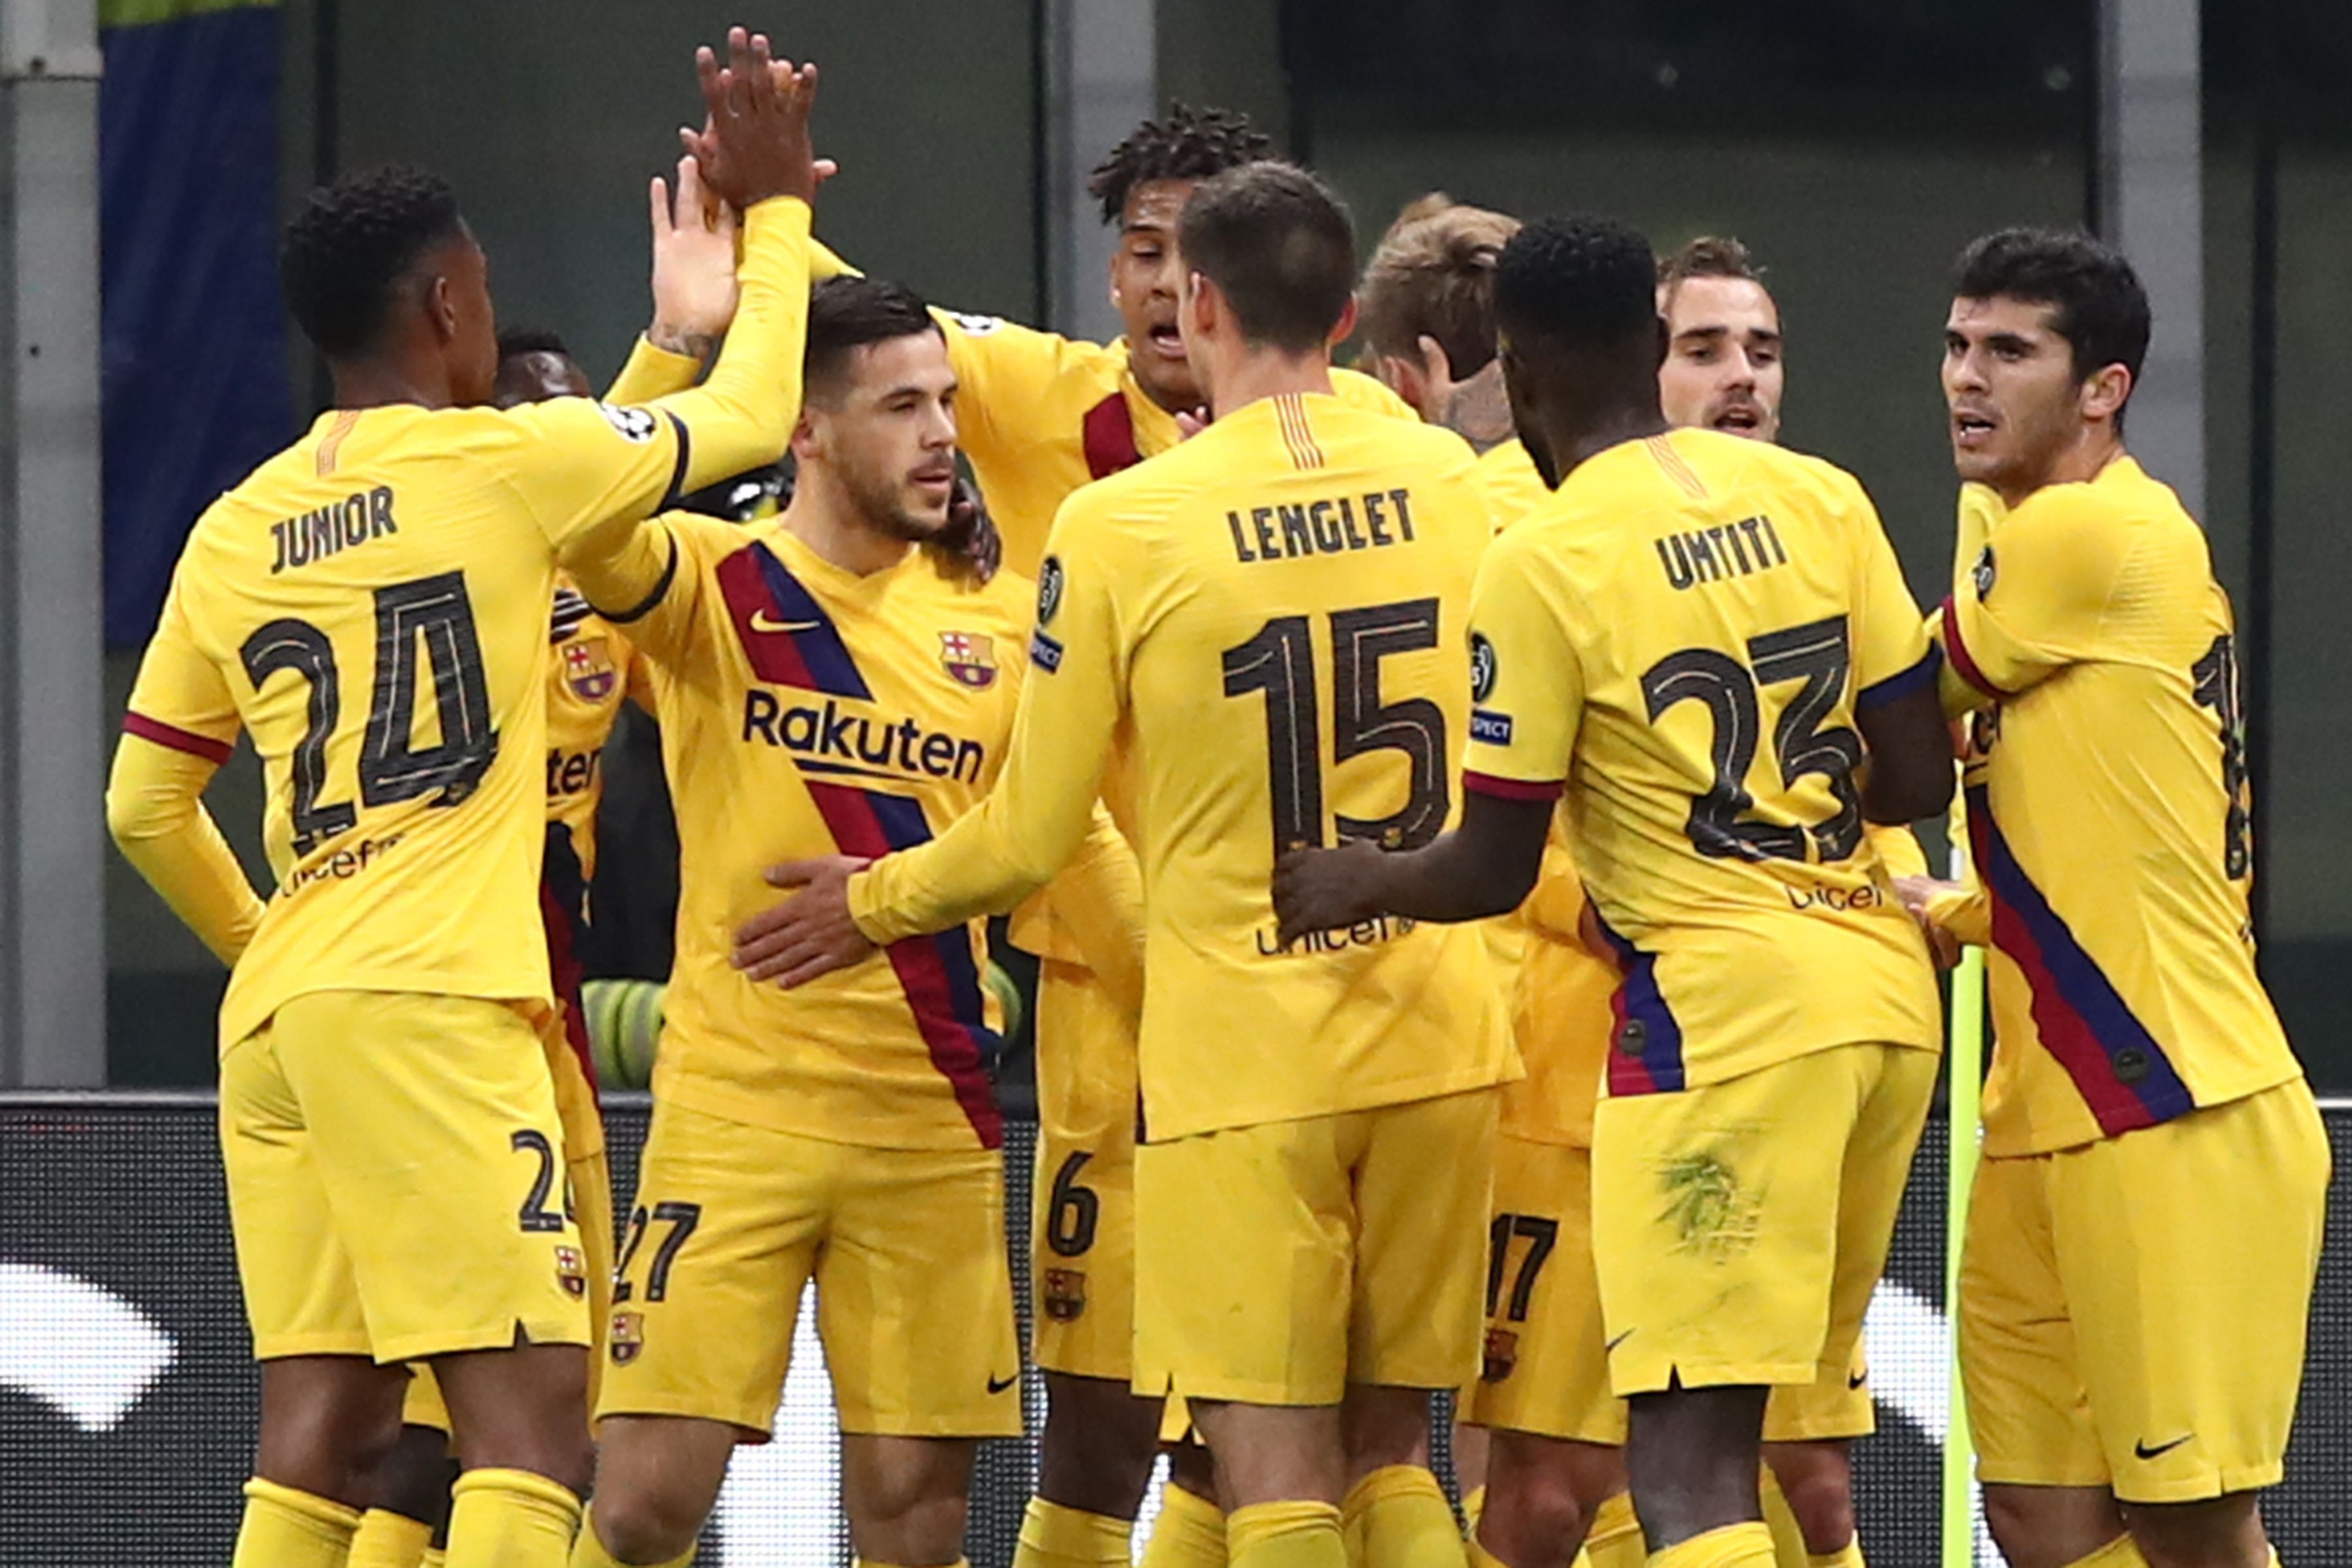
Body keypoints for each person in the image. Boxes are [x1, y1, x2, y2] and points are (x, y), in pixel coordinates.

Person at [101, 29, 821, 1568]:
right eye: (483, 289)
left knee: (327, 1434)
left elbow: (143, 808)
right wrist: (773, 224)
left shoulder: (241, 524)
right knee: (533, 1427)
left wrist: (283, 946)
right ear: (446, 306)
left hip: (292, 1018)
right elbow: (757, 425)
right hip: (437, 1005)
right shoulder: (497, 469)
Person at [745, 161, 1514, 1568]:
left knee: (1272, 1463)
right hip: (1443, 1028)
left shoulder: (1123, 525)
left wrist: (871, 902)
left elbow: (1034, 835)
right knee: (1399, 1455)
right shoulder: (1448, 476)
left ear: (1200, 302)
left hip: (1241, 1051)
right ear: (1346, 314)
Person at [1269, 212, 1953, 1568]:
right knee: (1783, 1457)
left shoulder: (1547, 558)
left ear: (1514, 377)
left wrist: (1358, 875)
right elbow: (1916, 773)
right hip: (1881, 1006)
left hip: (1719, 1024)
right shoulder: (1822, 495)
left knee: (1689, 1462)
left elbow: (1492, 864)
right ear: (1654, 347)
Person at [561, 272, 1136, 1568]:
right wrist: (678, 342)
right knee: (645, 1506)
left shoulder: (1009, 621)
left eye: (946, 400)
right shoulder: (713, 585)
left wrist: (1191, 991)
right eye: (900, 408)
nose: (944, 432)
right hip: (735, 1113)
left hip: (930, 1123)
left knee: (918, 1529)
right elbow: (578, 513)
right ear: (805, 432)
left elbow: (1076, 837)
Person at [1903, 229, 2325, 1568]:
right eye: (1959, 346)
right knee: (2038, 1521)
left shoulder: (2092, 531)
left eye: (2011, 352)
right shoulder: (2030, 527)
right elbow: (2118, 828)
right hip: (2039, 1115)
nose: (1969, 379)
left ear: (2106, 389)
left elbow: (1892, 730)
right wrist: (1954, 909)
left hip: (2170, 1108)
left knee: (2196, 1531)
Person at [343, 323, 656, 1568]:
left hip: (547, 984)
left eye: (574, 417)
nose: (560, 440)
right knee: (463, 1403)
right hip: (438, 975)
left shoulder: (610, 600)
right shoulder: (451, 578)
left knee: (516, 1395)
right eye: (534, 416)